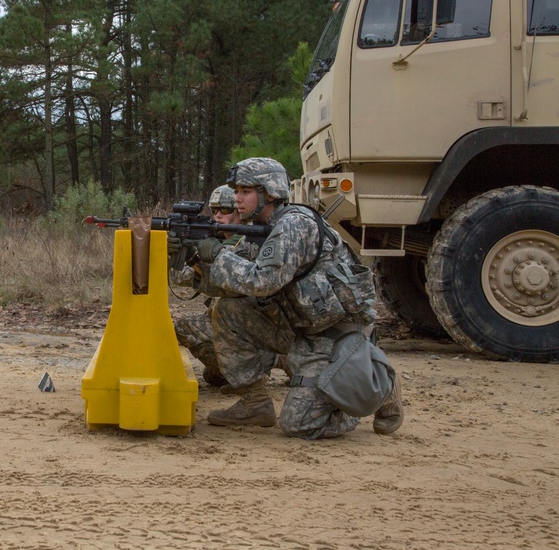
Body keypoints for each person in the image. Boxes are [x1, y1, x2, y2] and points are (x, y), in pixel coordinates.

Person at [191, 157, 403, 439]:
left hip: (335, 337)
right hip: (301, 329)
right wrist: (191, 259)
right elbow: (229, 283)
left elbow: (262, 281)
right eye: (237, 191)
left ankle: (377, 385)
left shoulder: (294, 225)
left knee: (298, 424)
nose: (237, 199)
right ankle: (255, 402)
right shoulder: (260, 230)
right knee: (230, 309)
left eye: (245, 191)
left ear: (269, 192)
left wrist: (217, 254)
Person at [170, 185, 243, 388]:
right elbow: (180, 278)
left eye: (225, 210)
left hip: (243, 323)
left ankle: (245, 373)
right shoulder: (219, 239)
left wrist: (195, 258)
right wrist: (179, 251)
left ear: (240, 212)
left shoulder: (244, 243)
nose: (218, 216)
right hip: (230, 322)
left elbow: (224, 281)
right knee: (212, 377)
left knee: (184, 328)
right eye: (214, 210)